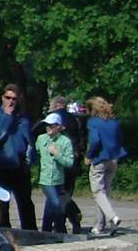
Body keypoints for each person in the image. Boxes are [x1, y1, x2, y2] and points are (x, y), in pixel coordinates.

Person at [0, 84, 35, 230]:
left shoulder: (22, 118)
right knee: (1, 206)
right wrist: (6, 117)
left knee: (26, 204)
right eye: (8, 98)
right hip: (1, 167)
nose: (11, 102)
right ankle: (4, 235)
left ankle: (31, 234)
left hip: (20, 167)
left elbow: (28, 140)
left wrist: (30, 156)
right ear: (2, 98)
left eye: (14, 98)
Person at [84, 96, 126, 236]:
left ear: (93, 109)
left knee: (98, 192)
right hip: (113, 159)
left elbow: (95, 140)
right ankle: (100, 225)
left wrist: (89, 156)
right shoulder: (114, 122)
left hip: (100, 159)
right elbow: (120, 139)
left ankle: (113, 217)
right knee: (104, 193)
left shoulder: (93, 122)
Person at [45, 97, 84, 233]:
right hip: (73, 161)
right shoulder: (76, 119)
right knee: (65, 192)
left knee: (56, 194)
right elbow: (82, 140)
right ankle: (62, 223)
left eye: (51, 105)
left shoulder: (53, 119)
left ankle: (68, 218)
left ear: (57, 105)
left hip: (57, 161)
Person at [33, 112, 74, 234]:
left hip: (58, 180)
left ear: (58, 127)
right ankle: (61, 231)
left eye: (51, 125)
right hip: (45, 180)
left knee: (49, 206)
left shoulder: (65, 141)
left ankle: (45, 231)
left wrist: (57, 154)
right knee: (56, 204)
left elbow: (69, 162)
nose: (48, 128)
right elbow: (35, 151)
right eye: (46, 125)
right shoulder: (41, 139)